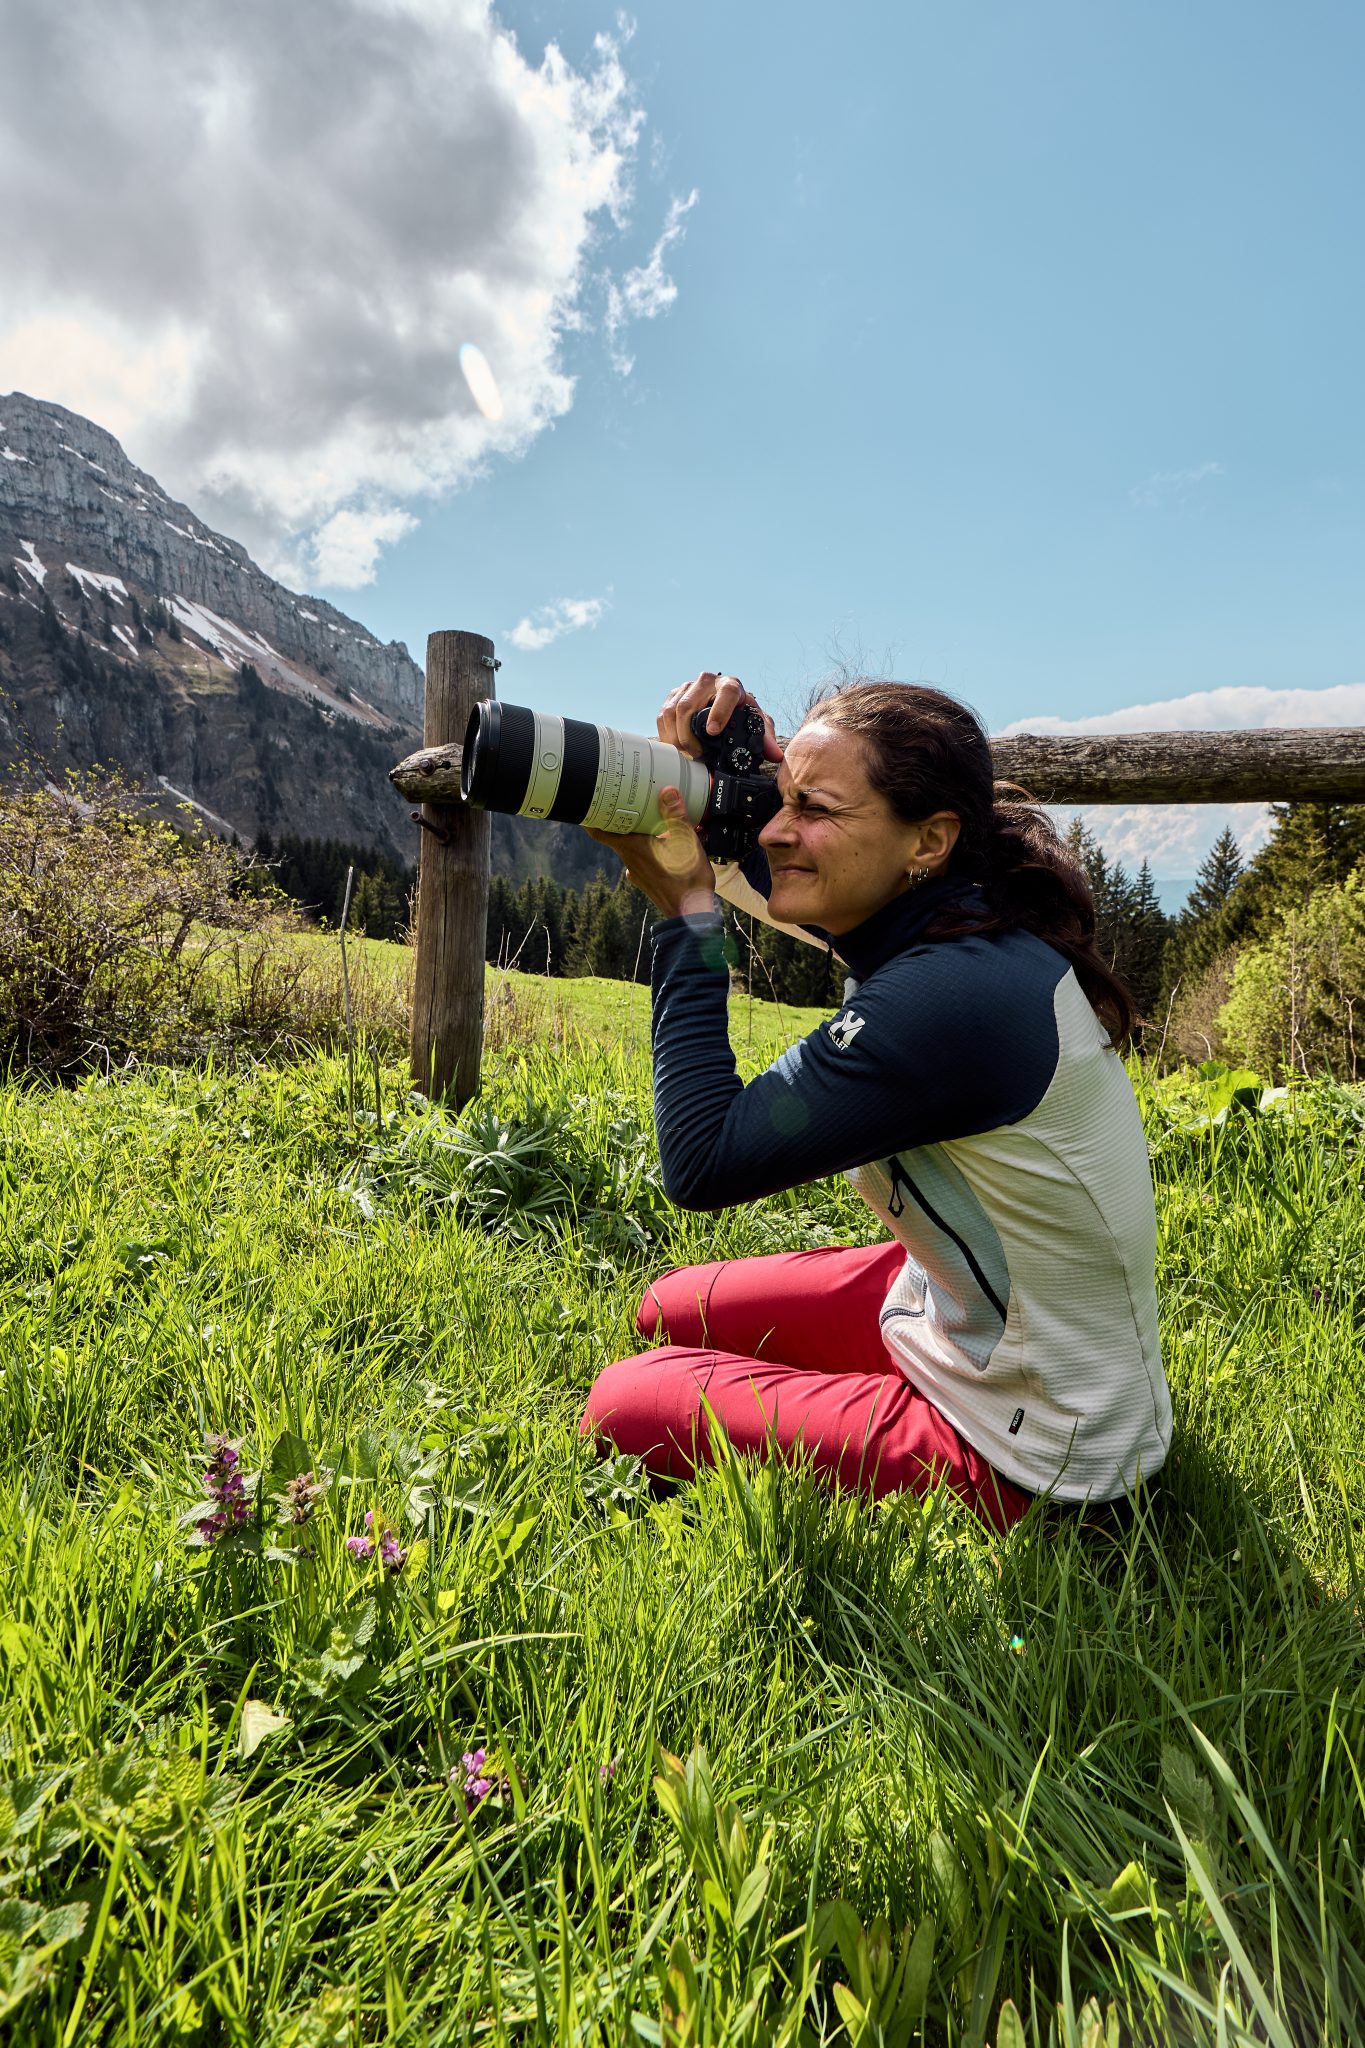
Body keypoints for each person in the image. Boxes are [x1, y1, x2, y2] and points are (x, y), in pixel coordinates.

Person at [579, 672, 1171, 1529]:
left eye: (813, 807)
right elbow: (788, 876)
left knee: (625, 1402)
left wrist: (687, 915)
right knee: (671, 1306)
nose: (780, 830)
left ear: (927, 838)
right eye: (781, 800)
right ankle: (872, 1378)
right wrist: (734, 787)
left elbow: (702, 1161)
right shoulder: (959, 917)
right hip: (963, 1309)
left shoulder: (951, 997)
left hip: (1046, 1445)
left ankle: (901, 1412)